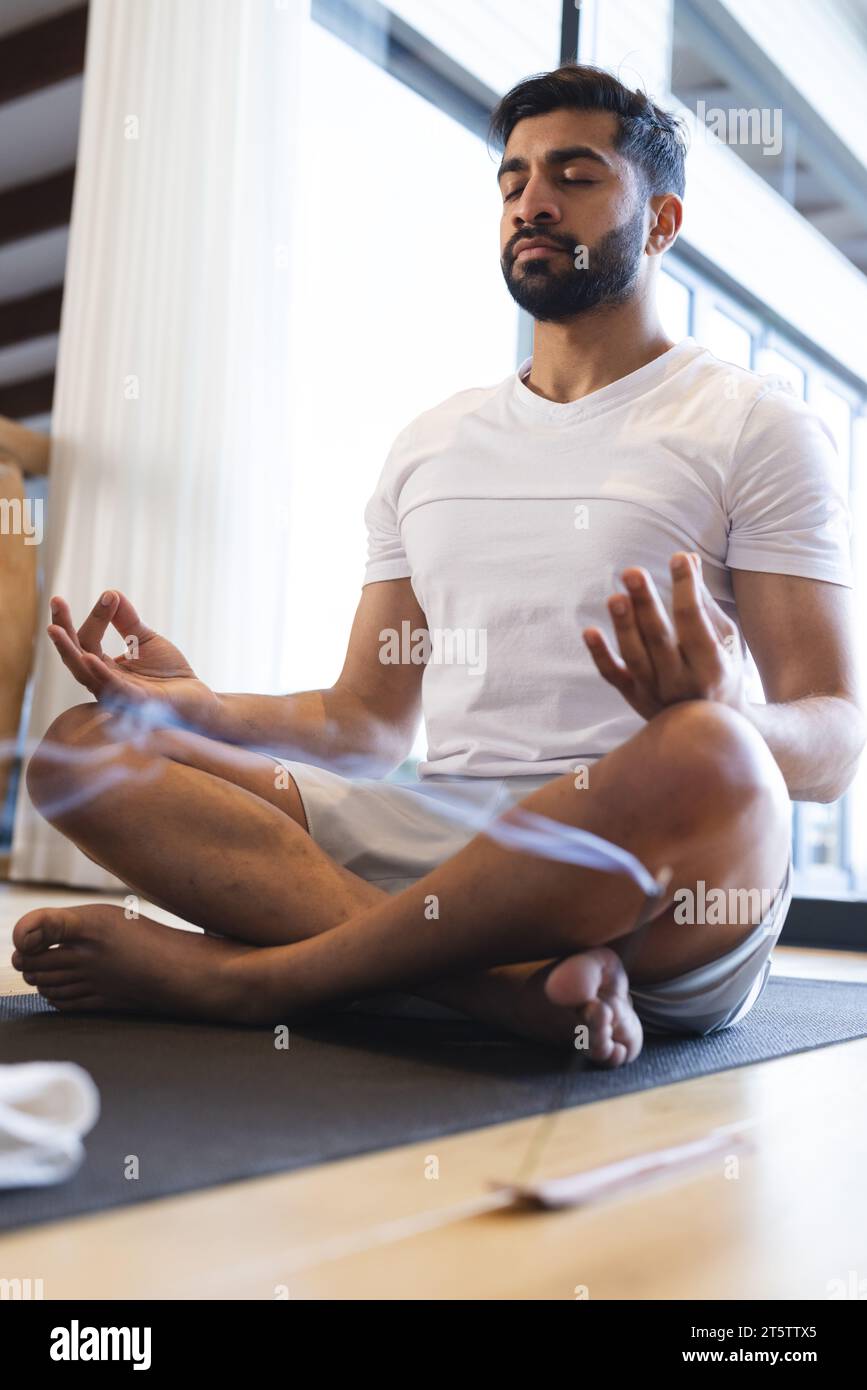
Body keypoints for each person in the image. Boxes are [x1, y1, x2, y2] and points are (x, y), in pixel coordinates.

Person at [12, 65, 864, 1067]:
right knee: (80, 749)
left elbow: (836, 741)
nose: (532, 202)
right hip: (436, 835)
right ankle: (504, 995)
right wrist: (198, 706)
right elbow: (364, 727)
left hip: (636, 852)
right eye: (512, 181)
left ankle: (253, 978)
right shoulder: (432, 443)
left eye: (575, 176)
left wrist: (730, 715)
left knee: (715, 759)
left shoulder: (757, 424)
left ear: (663, 220)